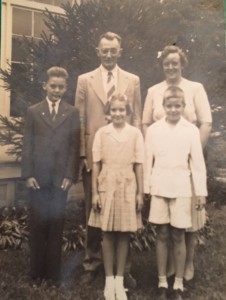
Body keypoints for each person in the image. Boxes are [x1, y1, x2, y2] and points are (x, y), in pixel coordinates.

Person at [75, 32, 141, 286]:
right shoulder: (85, 80)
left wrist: (138, 158)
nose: (109, 54)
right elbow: (79, 120)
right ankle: (92, 264)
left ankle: (124, 268)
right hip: (96, 156)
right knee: (94, 209)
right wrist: (82, 153)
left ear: (120, 51)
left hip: (124, 159)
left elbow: (135, 118)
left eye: (114, 50)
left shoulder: (132, 80)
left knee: (125, 211)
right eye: (105, 50)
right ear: (98, 51)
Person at [142, 45, 212, 281]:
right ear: (162, 66)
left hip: (188, 161)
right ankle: (169, 264)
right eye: (167, 63)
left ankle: (187, 263)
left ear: (182, 64)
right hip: (162, 162)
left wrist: (191, 154)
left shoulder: (195, 88)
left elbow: (206, 123)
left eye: (175, 63)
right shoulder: (154, 91)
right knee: (165, 221)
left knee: (187, 219)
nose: (171, 67)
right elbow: (145, 123)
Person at [144, 86, 207, 300]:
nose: (173, 109)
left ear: (183, 106)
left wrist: (201, 192)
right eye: (169, 105)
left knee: (179, 234)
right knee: (161, 234)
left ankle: (178, 283)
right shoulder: (153, 130)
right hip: (160, 185)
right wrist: (146, 188)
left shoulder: (191, 130)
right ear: (163, 106)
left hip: (181, 187)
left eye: (177, 105)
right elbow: (147, 160)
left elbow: (197, 164)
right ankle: (162, 281)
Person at [21, 67, 80, 284]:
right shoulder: (34, 111)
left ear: (66, 88)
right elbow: (27, 145)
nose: (56, 90)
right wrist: (28, 174)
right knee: (37, 224)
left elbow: (75, 146)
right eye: (53, 86)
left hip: (59, 181)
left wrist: (70, 175)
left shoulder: (72, 112)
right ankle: (37, 272)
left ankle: (53, 273)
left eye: (61, 87)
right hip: (38, 178)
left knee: (56, 224)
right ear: (44, 85)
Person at [89, 94, 144, 300]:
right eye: (114, 110)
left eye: (122, 110)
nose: (118, 113)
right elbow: (96, 164)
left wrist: (140, 192)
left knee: (123, 235)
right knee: (108, 235)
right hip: (106, 185)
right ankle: (109, 281)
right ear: (108, 113)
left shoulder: (135, 134)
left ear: (128, 112)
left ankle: (120, 281)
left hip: (128, 186)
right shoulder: (102, 133)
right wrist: (95, 192)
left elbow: (139, 164)